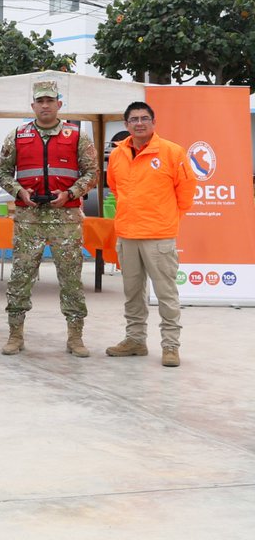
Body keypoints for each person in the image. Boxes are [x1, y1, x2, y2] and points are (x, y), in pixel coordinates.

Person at [0, 80, 98, 357]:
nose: (45, 105)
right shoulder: (17, 135)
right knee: (20, 277)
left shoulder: (77, 136)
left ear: (59, 105)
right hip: (29, 219)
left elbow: (92, 173)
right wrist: (18, 191)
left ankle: (75, 337)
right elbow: (3, 173)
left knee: (71, 279)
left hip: (65, 218)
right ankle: (15, 334)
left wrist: (70, 193)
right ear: (33, 105)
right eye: (40, 101)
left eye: (50, 101)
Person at [105, 101, 194, 368]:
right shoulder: (118, 154)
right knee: (132, 293)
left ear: (154, 123)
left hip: (159, 236)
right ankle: (135, 340)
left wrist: (166, 218)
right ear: (126, 125)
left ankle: (170, 346)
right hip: (128, 235)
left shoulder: (172, 153)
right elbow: (116, 188)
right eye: (134, 119)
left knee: (166, 294)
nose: (139, 123)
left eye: (145, 118)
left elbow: (186, 193)